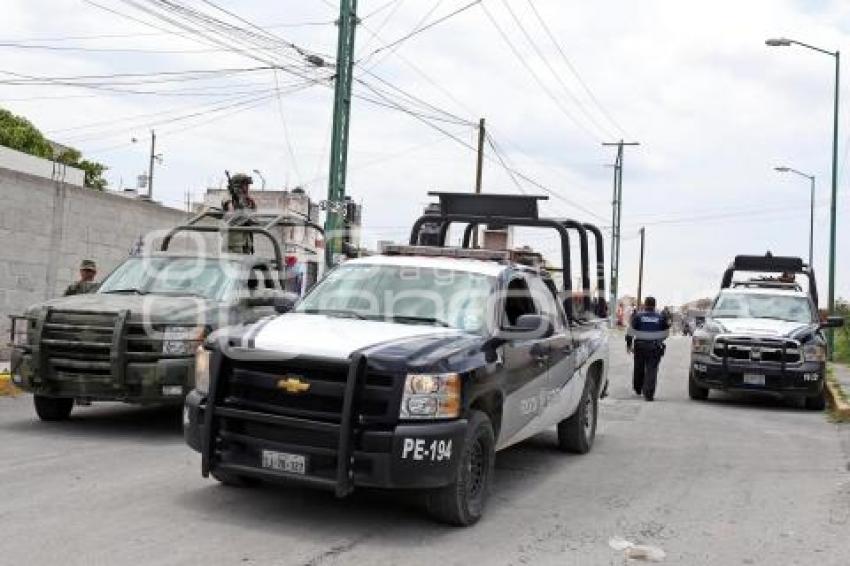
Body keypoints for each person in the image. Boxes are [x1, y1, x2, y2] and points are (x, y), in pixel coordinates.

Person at [626, 296, 670, 401]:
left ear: (645, 305)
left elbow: (630, 332)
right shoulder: (660, 317)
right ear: (654, 305)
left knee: (638, 368)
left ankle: (638, 388)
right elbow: (666, 332)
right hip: (654, 346)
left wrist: (628, 345)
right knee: (652, 369)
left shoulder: (638, 316)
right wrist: (660, 340)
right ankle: (649, 394)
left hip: (640, 346)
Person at [221, 172, 257, 254]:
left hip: (247, 241)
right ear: (238, 186)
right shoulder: (229, 197)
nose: (247, 188)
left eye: (248, 185)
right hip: (234, 242)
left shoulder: (248, 200)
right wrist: (238, 206)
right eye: (245, 185)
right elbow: (230, 209)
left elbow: (254, 216)